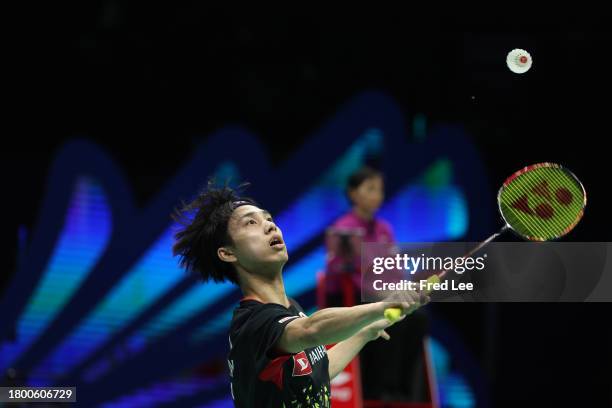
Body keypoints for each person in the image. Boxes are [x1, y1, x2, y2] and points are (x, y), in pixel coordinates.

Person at [172, 181, 429, 407]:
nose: (270, 227)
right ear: (228, 253)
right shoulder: (252, 322)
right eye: (251, 223)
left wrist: (365, 332)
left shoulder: (290, 310)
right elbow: (310, 330)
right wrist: (381, 306)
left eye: (269, 219)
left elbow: (318, 372)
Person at [325, 166, 430, 402]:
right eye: (370, 189)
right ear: (353, 193)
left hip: (382, 295)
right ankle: (378, 390)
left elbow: (394, 269)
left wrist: (404, 291)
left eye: (379, 190)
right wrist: (385, 295)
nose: (377, 195)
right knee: (393, 319)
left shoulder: (384, 229)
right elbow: (344, 274)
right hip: (350, 299)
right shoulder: (342, 230)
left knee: (418, 318)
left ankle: (403, 391)